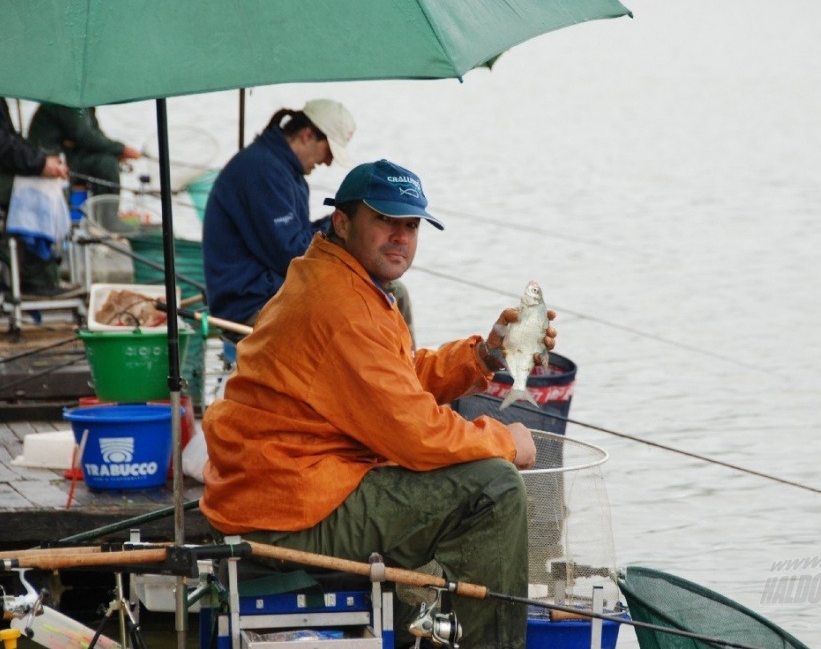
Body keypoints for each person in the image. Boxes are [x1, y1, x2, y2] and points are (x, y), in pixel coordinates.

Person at [201, 159, 557, 649]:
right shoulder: (343, 306)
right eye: (385, 221)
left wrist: (483, 356)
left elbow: (396, 381)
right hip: (289, 509)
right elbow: (417, 435)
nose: (400, 237)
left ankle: (427, 623)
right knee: (493, 489)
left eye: (410, 225)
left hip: (278, 488)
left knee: (462, 473)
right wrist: (507, 443)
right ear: (342, 222)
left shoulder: (337, 278)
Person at [202, 99, 357, 329]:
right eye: (329, 151)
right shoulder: (263, 170)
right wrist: (338, 226)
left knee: (378, 295)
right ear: (307, 135)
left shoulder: (286, 173)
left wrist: (336, 225)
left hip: (270, 291)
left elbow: (295, 242)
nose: (328, 162)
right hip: (249, 303)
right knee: (356, 312)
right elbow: (291, 255)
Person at [0, 93, 71, 295]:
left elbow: (7, 136)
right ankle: (36, 279)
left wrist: (41, 159)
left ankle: (40, 272)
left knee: (47, 183)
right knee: (38, 190)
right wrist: (39, 164)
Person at [27, 103, 141, 192]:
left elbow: (94, 134)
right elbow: (84, 136)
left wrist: (115, 152)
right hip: (50, 158)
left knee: (107, 158)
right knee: (107, 164)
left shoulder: (85, 105)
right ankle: (106, 217)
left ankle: (102, 213)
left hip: (70, 154)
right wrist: (122, 149)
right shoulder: (69, 101)